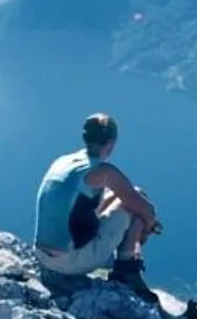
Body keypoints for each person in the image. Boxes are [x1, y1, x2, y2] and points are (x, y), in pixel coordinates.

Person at [33, 111, 161, 294]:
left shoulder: (64, 161)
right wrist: (149, 225)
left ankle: (121, 260)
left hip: (42, 255)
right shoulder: (104, 171)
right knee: (137, 203)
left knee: (123, 199)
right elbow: (144, 207)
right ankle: (127, 268)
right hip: (68, 262)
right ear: (110, 144)